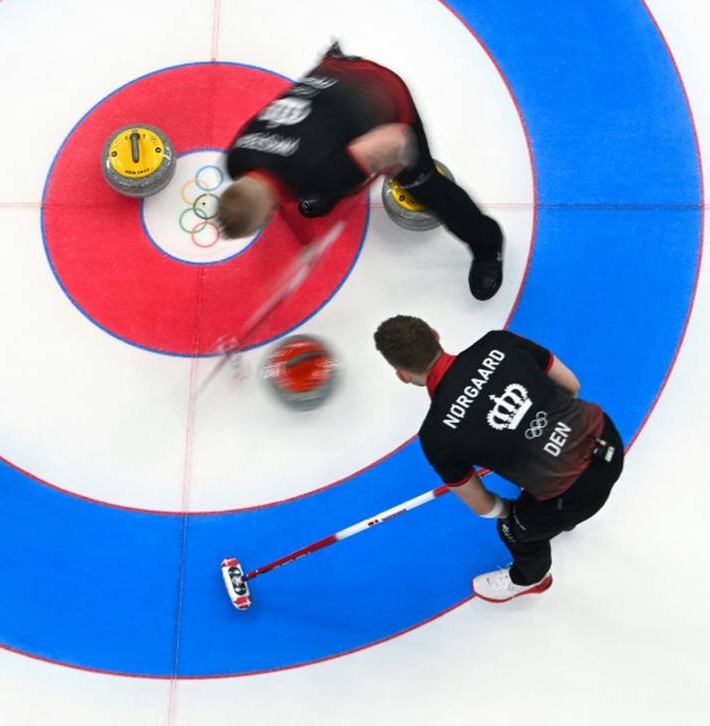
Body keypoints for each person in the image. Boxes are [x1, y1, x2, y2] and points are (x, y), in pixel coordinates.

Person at [219, 43, 505, 301]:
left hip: (382, 94)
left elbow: (396, 140)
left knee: (426, 186)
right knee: (337, 175)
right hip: (333, 75)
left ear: (269, 214)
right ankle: (339, 180)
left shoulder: (318, 174)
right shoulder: (237, 157)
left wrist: (399, 162)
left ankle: (487, 244)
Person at [373, 315, 624, 602]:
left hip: (575, 495)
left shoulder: (435, 436)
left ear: (402, 376)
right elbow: (571, 385)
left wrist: (513, 512)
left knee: (513, 529)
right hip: (607, 438)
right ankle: (560, 519)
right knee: (549, 491)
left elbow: (482, 506)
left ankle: (530, 579)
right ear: (435, 333)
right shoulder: (499, 342)